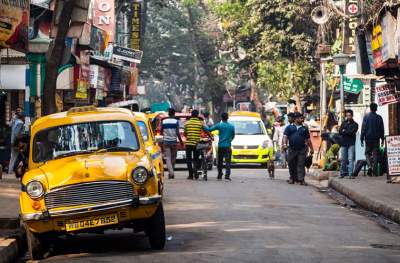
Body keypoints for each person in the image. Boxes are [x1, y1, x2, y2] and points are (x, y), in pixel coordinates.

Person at [282, 112, 314, 185]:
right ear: (296, 119)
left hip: (302, 149)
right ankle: (292, 178)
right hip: (292, 149)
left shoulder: (304, 128)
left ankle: (301, 179)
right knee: (291, 163)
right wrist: (284, 144)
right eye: (300, 118)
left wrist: (311, 149)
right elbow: (285, 137)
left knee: (301, 164)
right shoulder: (289, 127)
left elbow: (308, 140)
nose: (302, 119)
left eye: (302, 118)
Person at [205, 112, 235, 180]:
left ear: (221, 118)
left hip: (220, 146)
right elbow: (233, 136)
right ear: (228, 118)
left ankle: (219, 175)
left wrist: (203, 125)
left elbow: (209, 129)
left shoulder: (219, 125)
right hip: (228, 146)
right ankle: (227, 176)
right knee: (228, 162)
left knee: (220, 162)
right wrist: (229, 140)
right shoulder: (231, 126)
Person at [360, 103, 385, 176]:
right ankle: (374, 171)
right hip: (376, 139)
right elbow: (381, 129)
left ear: (370, 108)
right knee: (375, 154)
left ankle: (370, 166)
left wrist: (361, 138)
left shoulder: (366, 117)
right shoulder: (379, 118)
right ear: (376, 109)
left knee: (367, 153)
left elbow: (363, 129)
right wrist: (382, 139)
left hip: (368, 139)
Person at [161, 108, 183, 179]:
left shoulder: (163, 122)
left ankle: (171, 173)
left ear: (168, 113)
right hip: (174, 142)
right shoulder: (176, 121)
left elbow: (161, 132)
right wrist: (181, 141)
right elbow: (177, 133)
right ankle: (171, 172)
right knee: (173, 158)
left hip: (166, 142)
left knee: (167, 158)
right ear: (174, 114)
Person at [184, 110, 204, 180]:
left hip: (188, 144)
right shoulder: (200, 124)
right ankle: (195, 172)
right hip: (196, 144)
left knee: (189, 160)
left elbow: (185, 134)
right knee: (196, 159)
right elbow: (202, 132)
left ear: (191, 115)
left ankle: (190, 175)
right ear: (197, 115)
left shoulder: (187, 123)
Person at [339, 109, 358, 179]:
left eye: (349, 115)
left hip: (351, 144)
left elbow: (352, 132)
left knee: (350, 159)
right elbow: (340, 132)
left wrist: (345, 131)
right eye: (347, 116)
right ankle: (342, 173)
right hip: (344, 143)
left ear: (352, 116)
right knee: (343, 159)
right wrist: (346, 131)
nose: (348, 117)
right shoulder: (343, 123)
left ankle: (350, 174)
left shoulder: (355, 124)